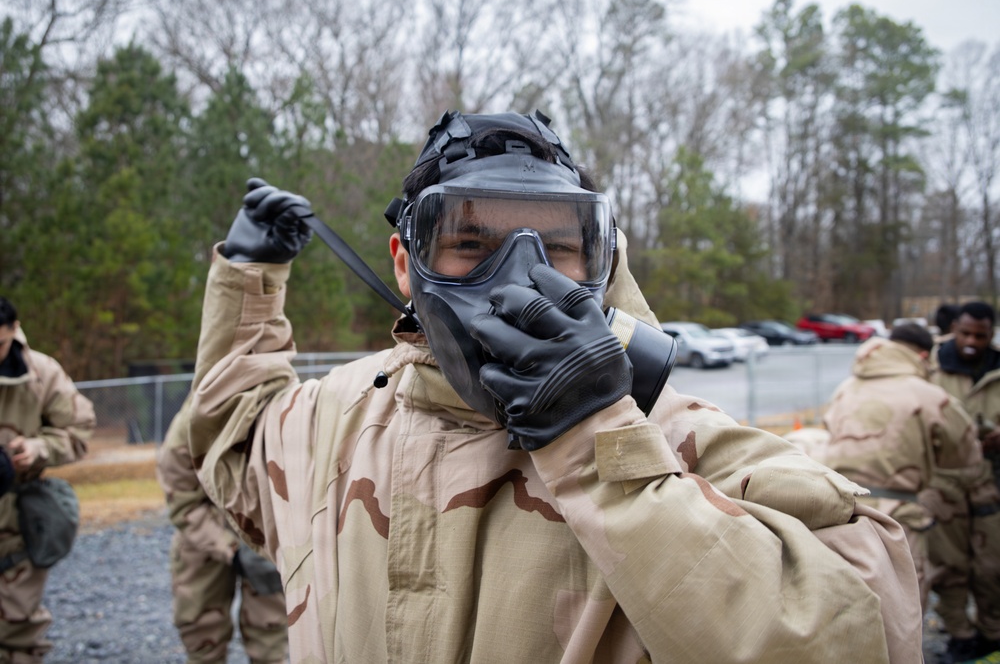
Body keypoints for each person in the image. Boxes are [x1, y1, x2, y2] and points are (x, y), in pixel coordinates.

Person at [187, 110, 922, 663]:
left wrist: (601, 448)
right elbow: (236, 447)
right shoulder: (334, 415)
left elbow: (871, 628)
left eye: (557, 247)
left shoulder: (672, 440)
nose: (513, 277)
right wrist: (250, 277)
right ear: (406, 264)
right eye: (470, 242)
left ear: (603, 264)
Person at [820, 324, 998, 618]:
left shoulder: (846, 388)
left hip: (841, 510)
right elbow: (966, 456)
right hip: (898, 515)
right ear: (923, 356)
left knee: (849, 603)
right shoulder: (927, 394)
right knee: (903, 608)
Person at [156, 396, 288, 664]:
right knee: (202, 632)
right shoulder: (196, 416)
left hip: (266, 531)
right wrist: (228, 546)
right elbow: (182, 499)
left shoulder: (281, 404)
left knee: (271, 635)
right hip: (204, 532)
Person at [0, 297, 94, 663]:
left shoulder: (40, 372)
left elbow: (79, 431)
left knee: (17, 633)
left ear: (15, 330)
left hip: (15, 528)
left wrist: (39, 449)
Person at [930, 300, 1000, 660]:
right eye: (965, 333)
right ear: (954, 330)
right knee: (948, 565)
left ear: (991, 334)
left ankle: (993, 632)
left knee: (993, 564)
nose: (972, 341)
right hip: (944, 484)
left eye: (981, 335)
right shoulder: (931, 369)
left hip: (992, 480)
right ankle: (959, 634)